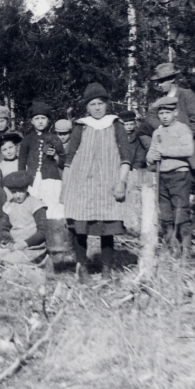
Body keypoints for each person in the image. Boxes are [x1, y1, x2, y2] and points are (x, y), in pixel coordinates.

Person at [61, 83, 132, 283]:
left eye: (100, 103)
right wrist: (65, 188)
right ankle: (82, 268)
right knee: (80, 228)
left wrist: (121, 182)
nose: (97, 108)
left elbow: (126, 157)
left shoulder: (116, 124)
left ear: (107, 104)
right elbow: (69, 159)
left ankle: (106, 270)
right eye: (93, 104)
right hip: (81, 185)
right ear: (87, 107)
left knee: (107, 229)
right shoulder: (80, 126)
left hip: (108, 185)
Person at [141, 62, 195, 224]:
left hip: (193, 147)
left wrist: (180, 136)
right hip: (171, 152)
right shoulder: (160, 102)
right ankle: (179, 219)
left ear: (172, 80)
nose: (159, 85)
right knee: (178, 185)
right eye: (157, 82)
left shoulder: (187, 95)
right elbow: (150, 118)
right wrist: (161, 128)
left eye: (161, 81)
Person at [146, 96, 195, 257]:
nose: (164, 116)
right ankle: (172, 247)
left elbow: (188, 150)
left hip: (179, 176)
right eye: (161, 113)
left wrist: (165, 151)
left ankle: (186, 250)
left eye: (168, 112)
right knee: (166, 214)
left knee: (181, 212)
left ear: (176, 112)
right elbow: (150, 156)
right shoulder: (157, 132)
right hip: (162, 177)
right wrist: (152, 157)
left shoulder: (182, 129)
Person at [0, 170, 49, 267]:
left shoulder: (36, 205)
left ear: (26, 188)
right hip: (14, 245)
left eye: (21, 191)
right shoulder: (9, 205)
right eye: (13, 192)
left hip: (32, 247)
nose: (17, 195)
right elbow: (3, 226)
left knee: (8, 261)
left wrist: (25, 243)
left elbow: (43, 231)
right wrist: (4, 239)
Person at [17, 101, 65, 218]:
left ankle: (51, 230)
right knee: (33, 204)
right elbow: (22, 161)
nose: (40, 121)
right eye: (37, 118)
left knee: (51, 205)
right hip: (32, 179)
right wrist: (22, 180)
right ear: (32, 121)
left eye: (43, 118)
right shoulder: (27, 139)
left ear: (48, 121)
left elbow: (64, 161)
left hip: (50, 178)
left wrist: (55, 156)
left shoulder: (54, 138)